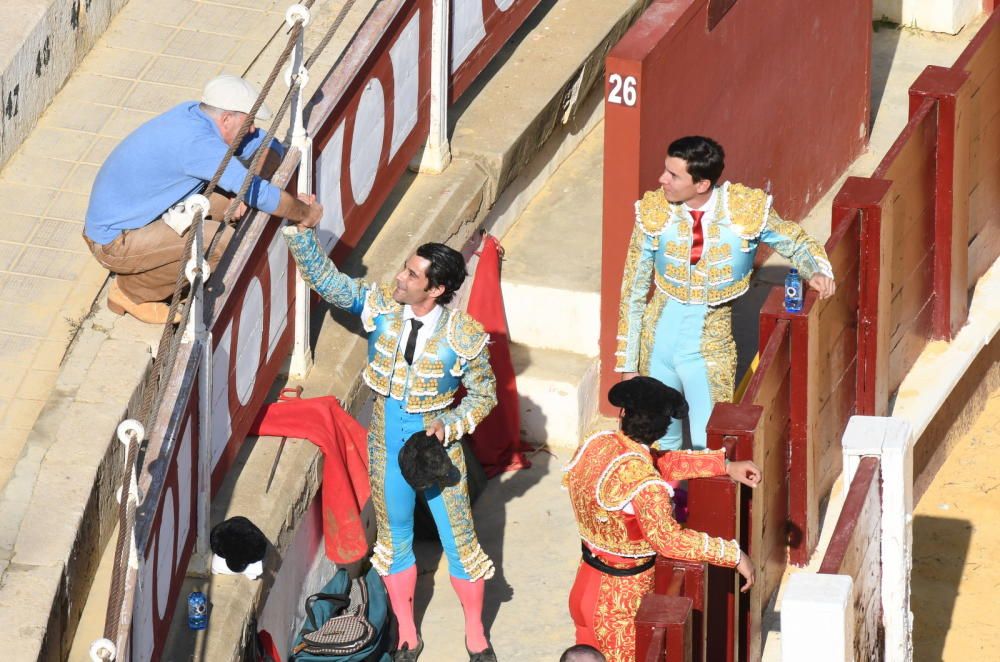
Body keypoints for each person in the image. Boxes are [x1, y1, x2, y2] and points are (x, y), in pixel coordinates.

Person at [282, 216, 499, 662]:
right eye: (405, 268)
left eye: (411, 274)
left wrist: (450, 424)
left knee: (460, 540)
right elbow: (332, 285)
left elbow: (484, 395)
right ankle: (406, 633)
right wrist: (301, 232)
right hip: (384, 442)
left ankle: (476, 636)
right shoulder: (380, 307)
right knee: (395, 537)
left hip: (437, 447)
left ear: (436, 289)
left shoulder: (464, 336)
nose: (400, 277)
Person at [616, 136, 835, 450]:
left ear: (702, 184)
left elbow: (796, 242)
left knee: (714, 445)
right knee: (659, 445)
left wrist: (816, 271)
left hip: (710, 347)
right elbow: (632, 292)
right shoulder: (653, 212)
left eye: (673, 175)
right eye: (666, 170)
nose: (662, 180)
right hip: (655, 343)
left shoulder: (744, 210)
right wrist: (628, 367)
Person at [83, 74, 323, 324]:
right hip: (115, 242)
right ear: (227, 118)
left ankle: (161, 273)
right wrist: (305, 213)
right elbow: (262, 194)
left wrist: (243, 192)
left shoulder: (195, 114)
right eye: (249, 121)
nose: (252, 128)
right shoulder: (200, 144)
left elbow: (269, 144)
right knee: (224, 243)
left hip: (141, 218)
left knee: (224, 204)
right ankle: (132, 292)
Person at [563, 376, 760, 662]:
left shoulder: (598, 445)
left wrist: (724, 464)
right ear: (663, 429)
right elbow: (669, 541)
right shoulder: (646, 485)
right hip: (620, 602)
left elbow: (660, 462)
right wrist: (733, 554)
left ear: (624, 414)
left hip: (586, 584)